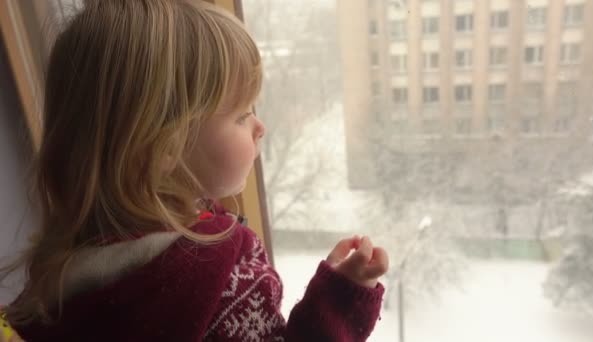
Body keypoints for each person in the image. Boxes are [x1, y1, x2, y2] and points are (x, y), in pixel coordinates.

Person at [0, 1, 389, 341]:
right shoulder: (223, 286)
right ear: (163, 147)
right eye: (241, 115)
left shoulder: (58, 283)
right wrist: (339, 300)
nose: (260, 127)